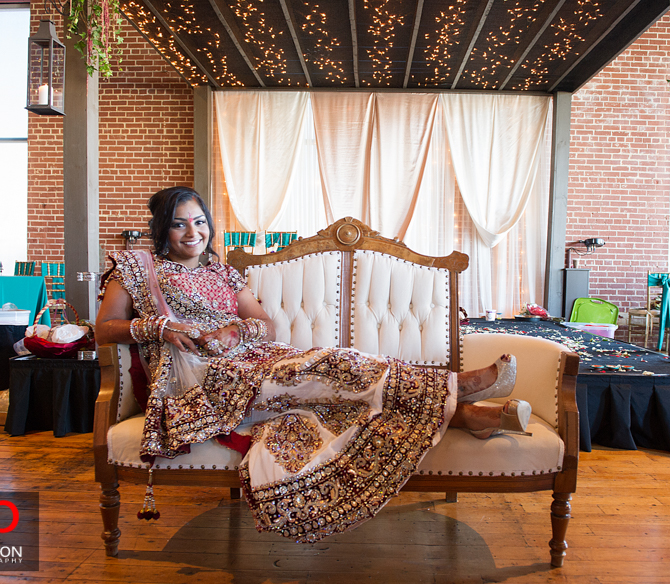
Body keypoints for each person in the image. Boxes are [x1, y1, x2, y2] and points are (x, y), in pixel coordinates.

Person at [95, 186, 529, 543]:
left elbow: (261, 322)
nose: (193, 232)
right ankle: (463, 390)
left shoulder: (223, 272)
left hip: (251, 358)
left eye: (200, 221)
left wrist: (234, 332)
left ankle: (470, 413)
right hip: (202, 381)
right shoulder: (135, 269)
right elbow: (105, 328)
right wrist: (161, 329)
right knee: (329, 367)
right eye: (179, 223)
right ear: (162, 229)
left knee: (338, 363)